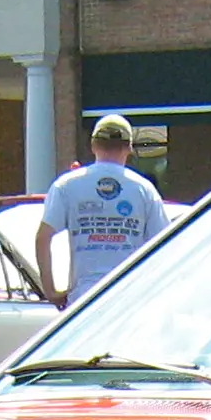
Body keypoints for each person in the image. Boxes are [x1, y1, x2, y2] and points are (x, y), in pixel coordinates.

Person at [36, 114, 168, 306]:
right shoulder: (143, 189)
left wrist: (50, 291)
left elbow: (43, 237)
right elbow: (164, 244)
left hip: (83, 300)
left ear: (93, 146)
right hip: (129, 299)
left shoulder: (66, 186)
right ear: (129, 148)